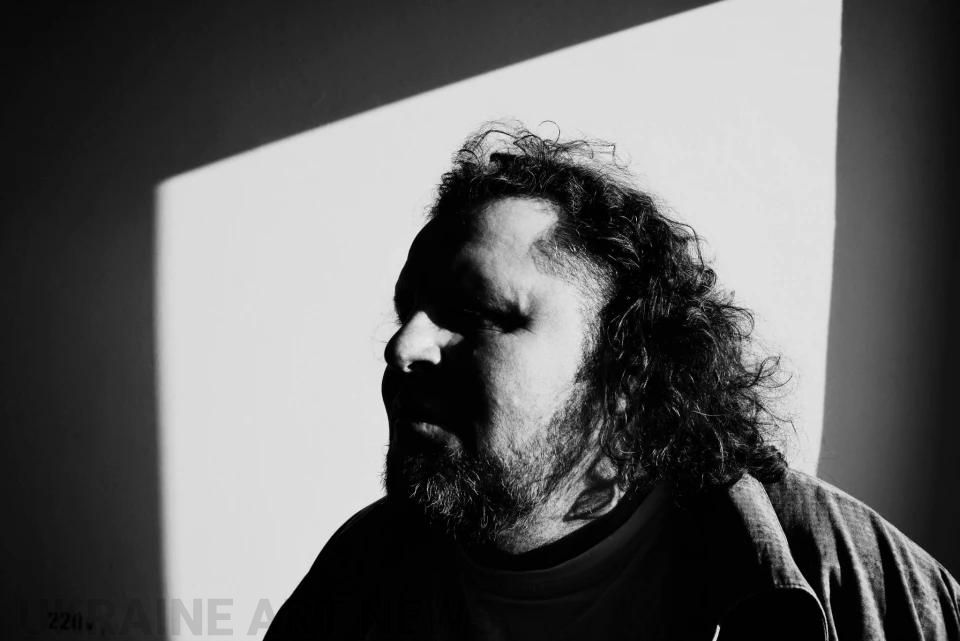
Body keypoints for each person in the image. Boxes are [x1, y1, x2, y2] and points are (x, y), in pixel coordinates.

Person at [265, 124, 960, 640]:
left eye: (473, 313)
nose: (403, 346)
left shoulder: (849, 578)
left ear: (626, 370)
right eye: (407, 312)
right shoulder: (358, 583)